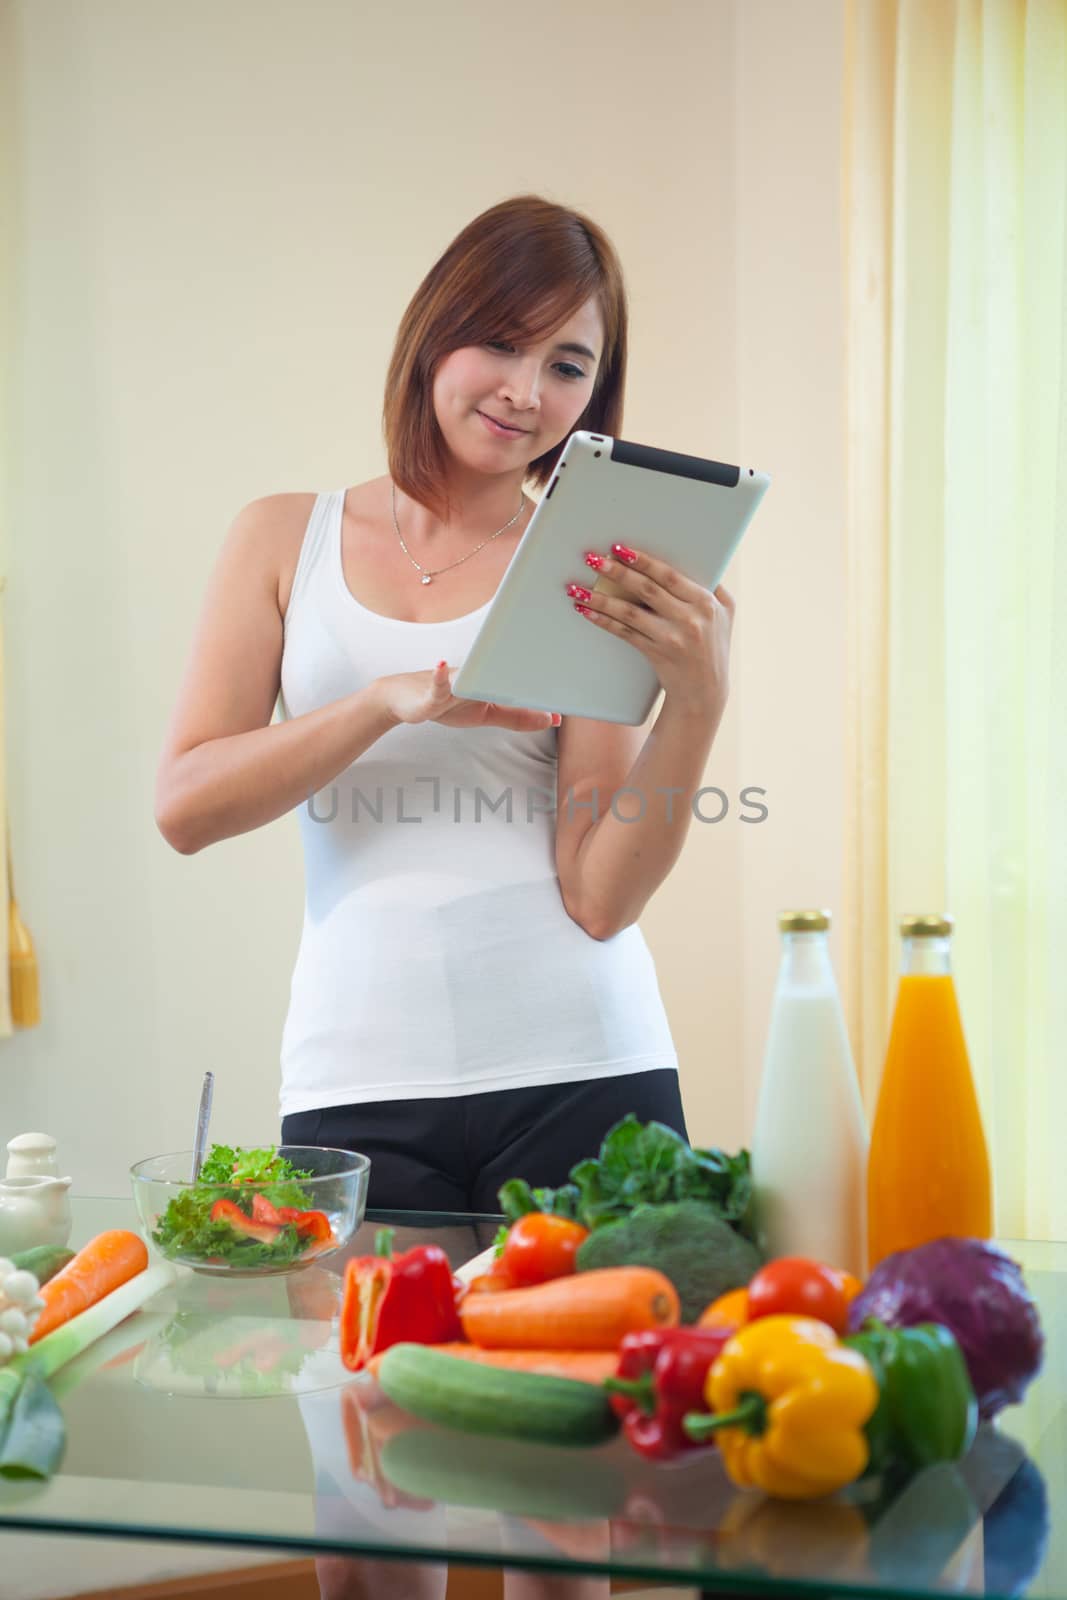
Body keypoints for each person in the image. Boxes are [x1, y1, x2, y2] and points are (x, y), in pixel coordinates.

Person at [154, 190, 735, 1216]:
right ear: (435, 333)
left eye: (567, 365)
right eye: (502, 343)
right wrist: (383, 701)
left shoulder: (581, 561)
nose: (525, 391)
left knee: (597, 1383)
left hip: (587, 1066)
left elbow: (598, 896)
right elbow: (187, 806)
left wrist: (695, 701)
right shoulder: (284, 538)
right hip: (357, 1078)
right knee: (368, 1381)